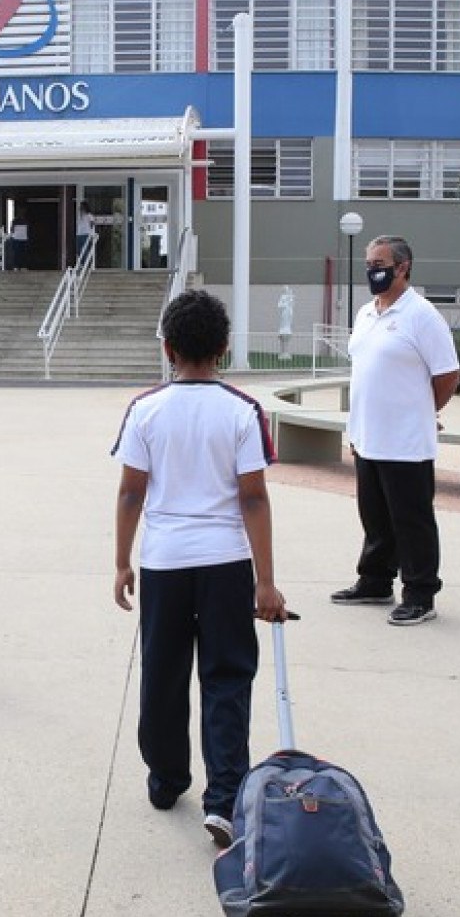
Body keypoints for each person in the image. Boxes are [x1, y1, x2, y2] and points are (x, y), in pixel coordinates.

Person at [113, 289, 287, 850]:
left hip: (163, 562)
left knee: (162, 675)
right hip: (226, 563)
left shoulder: (145, 409)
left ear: (167, 348)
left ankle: (167, 779)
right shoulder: (241, 411)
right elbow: (254, 499)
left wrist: (121, 562)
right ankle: (226, 800)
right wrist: (265, 579)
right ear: (225, 347)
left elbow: (130, 493)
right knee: (227, 677)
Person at [332, 235, 460, 627]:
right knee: (375, 516)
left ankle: (420, 594)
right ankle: (375, 581)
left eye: (380, 263)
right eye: (369, 263)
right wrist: (356, 430)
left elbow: (448, 374)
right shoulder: (366, 313)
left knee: (412, 521)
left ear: (403, 267)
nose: (372, 269)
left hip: (406, 442)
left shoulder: (421, 315)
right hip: (368, 435)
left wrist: (424, 411)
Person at [75, 203, 95, 267]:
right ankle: (81, 262)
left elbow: (92, 224)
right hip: (79, 234)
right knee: (78, 249)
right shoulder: (80, 216)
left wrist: (91, 234)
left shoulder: (89, 215)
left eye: (81, 207)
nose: (80, 208)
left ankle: (86, 263)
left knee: (84, 249)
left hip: (86, 234)